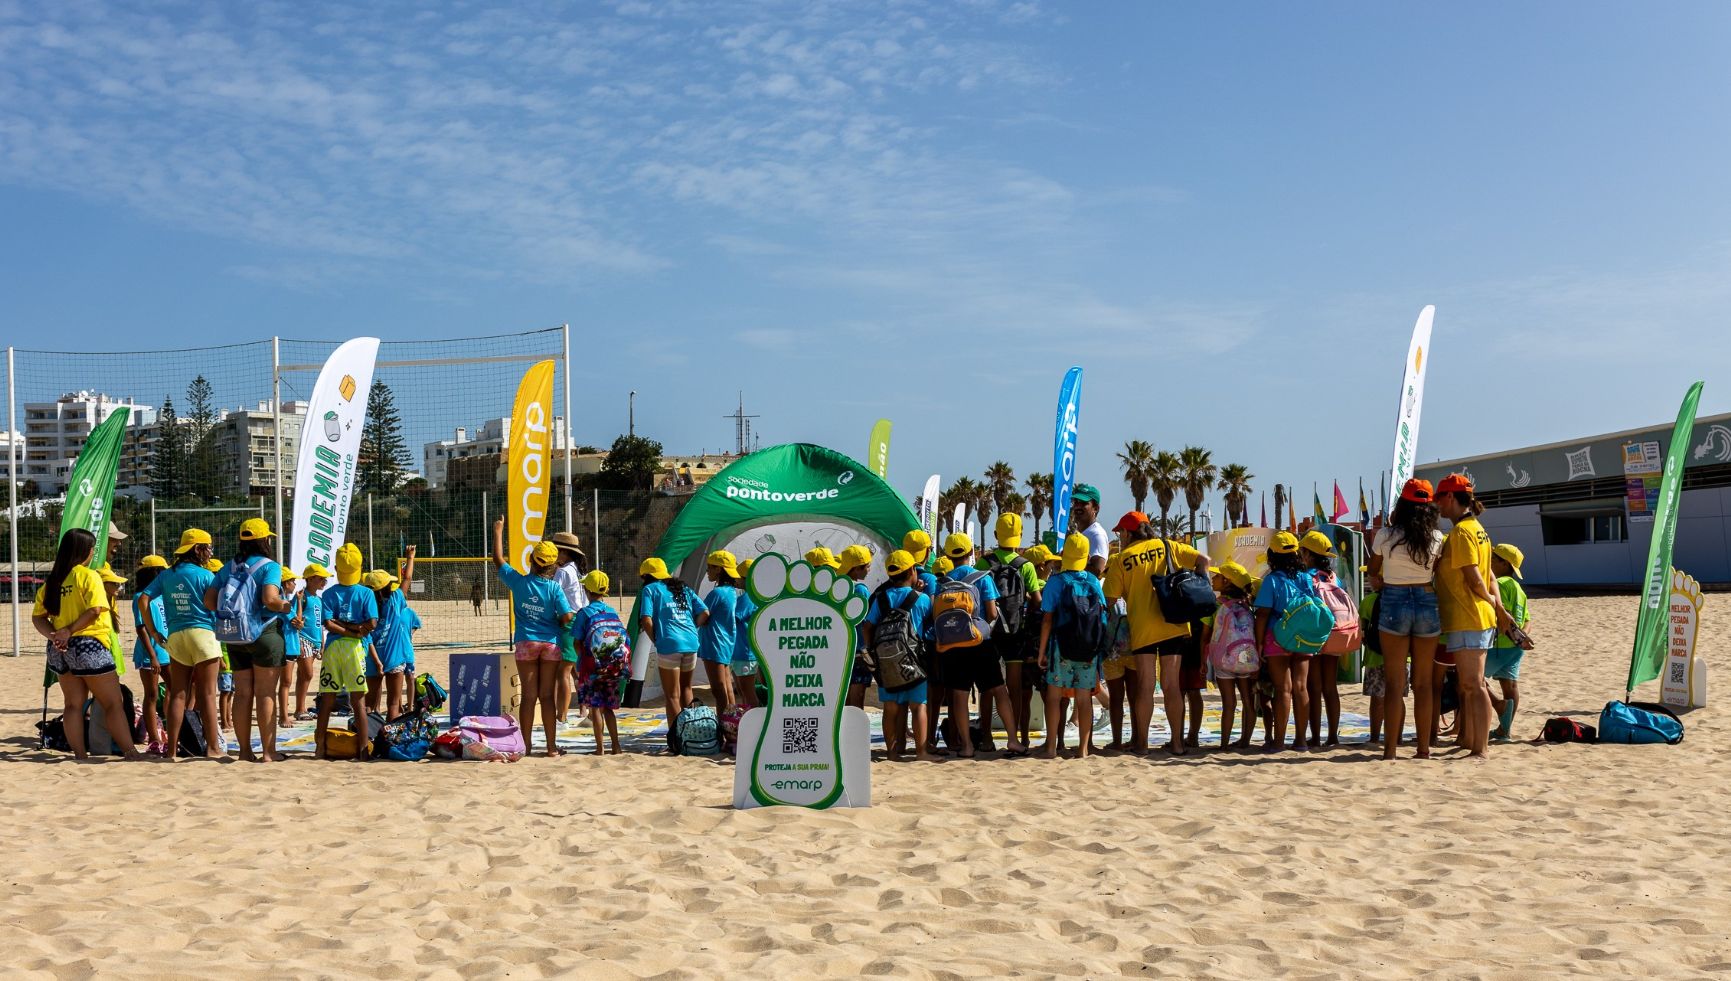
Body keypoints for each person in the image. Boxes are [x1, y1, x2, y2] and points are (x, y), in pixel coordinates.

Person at [1102, 512, 1210, 756]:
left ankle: (1142, 744)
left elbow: (1109, 599)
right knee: (1172, 686)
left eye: (1121, 532)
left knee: (1146, 686)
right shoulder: (1167, 545)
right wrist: (1200, 580)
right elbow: (1204, 559)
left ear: (1129, 533)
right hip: (1174, 623)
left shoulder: (1122, 559)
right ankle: (1177, 743)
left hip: (1143, 628)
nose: (1120, 536)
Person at [32, 529, 143, 761]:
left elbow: (38, 617)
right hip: (88, 644)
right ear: (86, 550)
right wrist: (69, 630)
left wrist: (56, 636)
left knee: (72, 704)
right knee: (113, 703)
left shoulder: (53, 581)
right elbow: (95, 610)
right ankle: (130, 752)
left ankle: (80, 755)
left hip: (59, 648)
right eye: (92, 549)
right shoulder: (87, 575)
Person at [1434, 473, 1512, 761]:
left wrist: (1496, 605)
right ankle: (1471, 741)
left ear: (1451, 498)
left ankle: (1481, 748)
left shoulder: (1463, 532)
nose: (1438, 506)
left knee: (1474, 684)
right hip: (1470, 616)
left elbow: (1476, 579)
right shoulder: (1478, 529)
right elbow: (1490, 574)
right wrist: (1498, 606)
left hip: (1470, 615)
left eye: (1440, 499)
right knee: (1468, 685)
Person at [1367, 479, 1446, 760]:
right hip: (1426, 601)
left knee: (1394, 681)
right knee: (1423, 683)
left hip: (1394, 600)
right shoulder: (1437, 538)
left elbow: (1374, 571)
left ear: (1402, 504)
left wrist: (1385, 581)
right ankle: (1423, 749)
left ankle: (1389, 750)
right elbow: (1435, 570)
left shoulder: (1386, 535)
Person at [203, 518, 293, 763]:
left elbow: (209, 602)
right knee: (265, 694)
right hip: (264, 633)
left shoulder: (228, 567)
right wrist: (287, 606)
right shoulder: (269, 566)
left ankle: (244, 752)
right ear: (264, 541)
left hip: (234, 635)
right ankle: (268, 752)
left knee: (242, 694)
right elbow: (270, 599)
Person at [492, 519, 576, 758]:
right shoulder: (554, 588)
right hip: (550, 643)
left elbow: (498, 559)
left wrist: (498, 531)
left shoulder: (519, 582)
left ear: (531, 560)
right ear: (553, 566)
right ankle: (551, 748)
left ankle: (526, 746)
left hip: (526, 642)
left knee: (529, 696)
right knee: (547, 696)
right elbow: (567, 615)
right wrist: (560, 624)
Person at [938, 532, 1026, 758]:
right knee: (999, 690)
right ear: (970, 553)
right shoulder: (982, 577)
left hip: (953, 647)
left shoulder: (943, 582)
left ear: (949, 555)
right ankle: (1013, 740)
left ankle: (966, 745)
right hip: (980, 643)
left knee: (959, 696)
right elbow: (992, 613)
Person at [141, 533, 224, 760]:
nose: (210, 552)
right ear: (197, 549)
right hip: (203, 633)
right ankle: (213, 748)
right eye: (208, 548)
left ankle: (171, 750)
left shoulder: (167, 575)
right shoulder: (206, 575)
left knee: (178, 694)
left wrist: (155, 632)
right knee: (207, 694)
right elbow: (216, 605)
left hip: (176, 634)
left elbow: (143, 599)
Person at [1035, 533, 1107, 759]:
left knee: (1055, 698)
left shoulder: (1056, 582)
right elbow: (1103, 618)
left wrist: (1042, 652)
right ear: (1086, 557)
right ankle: (1083, 749)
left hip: (1060, 648)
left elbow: (1047, 619)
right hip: (1087, 650)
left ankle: (1051, 747)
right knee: (1084, 700)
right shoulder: (1093, 581)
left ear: (1065, 554)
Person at [862, 549, 935, 762]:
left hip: (885, 661)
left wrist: (871, 649)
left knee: (890, 708)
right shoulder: (921, 599)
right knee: (918, 706)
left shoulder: (881, 598)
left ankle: (892, 752)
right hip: (913, 661)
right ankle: (921, 752)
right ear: (913, 570)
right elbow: (928, 618)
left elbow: (868, 625)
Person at [981, 515, 1042, 754]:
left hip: (990, 631)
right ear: (1019, 536)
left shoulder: (984, 564)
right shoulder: (1025, 565)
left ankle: (986, 738)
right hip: (1016, 633)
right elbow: (1037, 601)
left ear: (996, 535)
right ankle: (1015, 737)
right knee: (1014, 687)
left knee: (988, 687)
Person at [1252, 532, 1316, 752]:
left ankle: (1278, 741)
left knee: (1283, 690)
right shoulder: (1306, 578)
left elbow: (1262, 614)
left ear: (1273, 554)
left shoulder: (1272, 580)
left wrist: (1259, 643)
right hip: (1303, 637)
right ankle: (1301, 741)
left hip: (1277, 636)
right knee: (1301, 687)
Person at [317, 543, 378, 759]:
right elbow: (370, 623)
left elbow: (329, 624)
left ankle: (319, 748)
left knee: (327, 698)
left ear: (336, 568)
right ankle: (363, 750)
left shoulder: (329, 593)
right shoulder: (366, 593)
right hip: (355, 649)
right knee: (358, 701)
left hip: (333, 647)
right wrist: (355, 630)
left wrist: (343, 625)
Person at [637, 557, 707, 727]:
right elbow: (705, 612)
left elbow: (646, 620)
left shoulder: (650, 589)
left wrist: (657, 640)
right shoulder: (683, 588)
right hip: (691, 643)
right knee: (686, 689)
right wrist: (691, 629)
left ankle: (677, 737)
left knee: (672, 695)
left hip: (669, 645)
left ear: (646, 576)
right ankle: (691, 730)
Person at [571, 570, 629, 755]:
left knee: (595, 707)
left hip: (592, 668)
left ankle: (599, 748)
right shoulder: (612, 612)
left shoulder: (584, 613)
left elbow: (577, 641)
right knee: (609, 708)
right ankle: (616, 745)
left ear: (587, 590)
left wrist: (583, 660)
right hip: (613, 667)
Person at [1207, 560, 1260, 750]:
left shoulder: (1219, 607)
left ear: (1227, 582)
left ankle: (1224, 744)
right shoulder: (1247, 607)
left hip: (1225, 661)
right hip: (1245, 660)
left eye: (1218, 576)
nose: (1213, 578)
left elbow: (1210, 636)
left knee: (1228, 703)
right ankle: (1245, 741)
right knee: (1247, 700)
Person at [1299, 530, 1346, 747]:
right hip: (1336, 633)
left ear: (1307, 554)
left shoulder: (1306, 578)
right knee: (1330, 687)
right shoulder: (1335, 578)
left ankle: (1316, 737)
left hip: (1315, 634)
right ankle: (1333, 736)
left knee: (1313, 687)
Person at [1487, 544, 1531, 741]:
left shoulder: (1501, 584)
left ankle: (1497, 704)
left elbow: (1498, 611)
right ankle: (1504, 730)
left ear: (1504, 564)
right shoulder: (1519, 589)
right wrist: (1521, 638)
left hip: (1499, 645)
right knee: (1511, 686)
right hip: (1515, 646)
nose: (1489, 561)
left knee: (1470, 677)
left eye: (1493, 559)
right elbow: (1528, 620)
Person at [131, 555, 172, 753]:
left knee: (176, 690)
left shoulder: (163, 595)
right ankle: (154, 740)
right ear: (154, 572)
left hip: (167, 651)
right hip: (150, 653)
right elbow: (141, 629)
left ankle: (173, 733)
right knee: (152, 695)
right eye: (162, 570)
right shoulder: (140, 597)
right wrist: (153, 656)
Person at [550, 532, 590, 724]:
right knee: (576, 668)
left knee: (563, 672)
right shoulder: (577, 570)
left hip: (568, 621)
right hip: (581, 619)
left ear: (564, 552)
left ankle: (561, 716)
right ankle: (583, 708)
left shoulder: (563, 572)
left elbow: (552, 596)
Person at [699, 550, 744, 716]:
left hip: (714, 644)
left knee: (719, 692)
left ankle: (725, 728)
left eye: (710, 567)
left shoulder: (717, 593)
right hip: (725, 643)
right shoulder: (732, 591)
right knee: (727, 689)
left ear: (719, 569)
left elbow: (702, 614)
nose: (707, 571)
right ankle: (732, 726)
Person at [836, 544, 876, 711]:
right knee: (857, 700)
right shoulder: (860, 590)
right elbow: (866, 620)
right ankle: (855, 735)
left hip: (840, 649)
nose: (868, 570)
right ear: (856, 569)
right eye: (867, 567)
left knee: (843, 699)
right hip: (859, 650)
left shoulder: (836, 587)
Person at [292, 563, 329, 722]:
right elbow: (295, 618)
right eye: (321, 579)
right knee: (307, 673)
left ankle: (300, 708)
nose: (324, 582)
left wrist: (321, 643)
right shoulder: (302, 596)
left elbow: (319, 622)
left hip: (315, 640)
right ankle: (299, 709)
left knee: (304, 675)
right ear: (311, 579)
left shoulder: (318, 599)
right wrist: (297, 640)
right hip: (303, 638)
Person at [733, 558, 761, 709]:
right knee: (745, 694)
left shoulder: (747, 598)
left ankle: (755, 728)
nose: (736, 581)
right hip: (744, 652)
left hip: (745, 653)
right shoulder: (754, 596)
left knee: (748, 695)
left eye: (739, 577)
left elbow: (733, 618)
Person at [275, 569, 301, 727]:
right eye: (293, 581)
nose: (295, 584)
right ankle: (283, 716)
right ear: (286, 583)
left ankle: (283, 715)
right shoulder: (282, 602)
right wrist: (299, 602)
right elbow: (298, 622)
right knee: (285, 682)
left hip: (290, 645)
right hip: (287, 646)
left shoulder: (284, 600)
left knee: (286, 682)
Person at [1068, 484, 1110, 577]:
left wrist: (1068, 566)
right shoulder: (1081, 533)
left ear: (1096, 508)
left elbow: (1098, 570)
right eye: (1076, 502)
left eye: (1084, 503)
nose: (1078, 506)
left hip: (1085, 591)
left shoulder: (1097, 534)